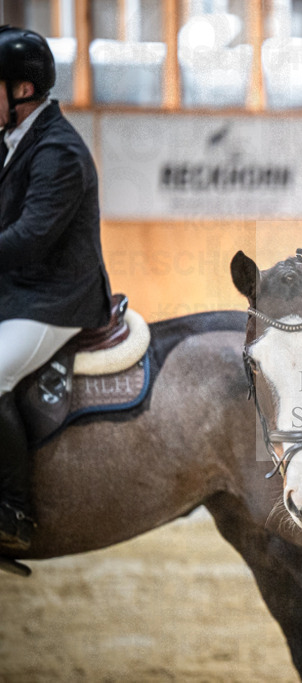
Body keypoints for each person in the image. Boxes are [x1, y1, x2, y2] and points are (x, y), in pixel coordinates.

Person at [0, 26, 112, 550]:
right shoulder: (13, 138)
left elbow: (28, 239)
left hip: (54, 299)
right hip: (20, 289)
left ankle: (13, 511)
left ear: (21, 90)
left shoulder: (58, 151)